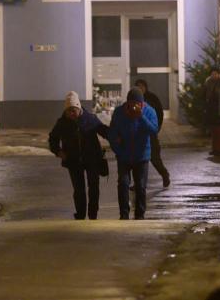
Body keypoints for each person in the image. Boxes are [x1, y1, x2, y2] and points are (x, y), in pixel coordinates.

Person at [48, 91, 109, 220]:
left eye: (73, 110)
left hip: (92, 158)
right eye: (68, 111)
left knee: (93, 186)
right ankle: (80, 215)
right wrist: (58, 151)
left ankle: (93, 215)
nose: (71, 114)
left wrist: (116, 137)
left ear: (79, 108)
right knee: (79, 189)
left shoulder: (90, 119)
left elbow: (103, 131)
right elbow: (53, 138)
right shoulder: (62, 123)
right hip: (73, 160)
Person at [107, 88, 158, 219]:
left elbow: (154, 130)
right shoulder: (119, 113)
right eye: (132, 104)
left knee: (141, 186)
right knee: (123, 183)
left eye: (138, 104)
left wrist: (141, 117)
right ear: (127, 103)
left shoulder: (149, 112)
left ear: (143, 104)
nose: (135, 107)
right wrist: (118, 150)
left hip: (142, 156)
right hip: (124, 156)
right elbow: (112, 134)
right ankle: (124, 214)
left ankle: (140, 214)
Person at [134, 78, 171, 187]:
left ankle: (164, 174)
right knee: (138, 161)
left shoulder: (152, 98)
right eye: (138, 87)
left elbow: (159, 113)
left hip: (150, 133)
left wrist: (157, 126)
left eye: (142, 86)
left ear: (145, 87)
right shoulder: (134, 99)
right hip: (138, 135)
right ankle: (138, 183)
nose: (140, 89)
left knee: (154, 158)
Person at [204, 66, 220, 156]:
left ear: (219, 74)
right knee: (214, 131)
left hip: (219, 110)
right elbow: (204, 95)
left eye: (216, 74)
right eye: (212, 74)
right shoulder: (208, 83)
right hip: (211, 110)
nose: (214, 75)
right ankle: (215, 149)